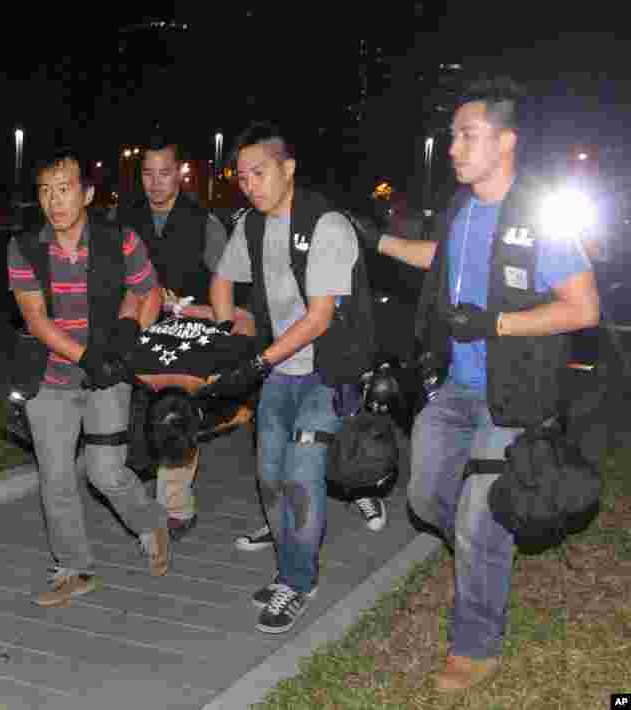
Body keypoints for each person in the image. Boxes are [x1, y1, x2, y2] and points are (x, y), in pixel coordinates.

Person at [361, 77, 600, 691]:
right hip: (456, 386)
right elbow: (439, 259)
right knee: (423, 496)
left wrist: (497, 322)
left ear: (506, 142)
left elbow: (583, 309)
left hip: (512, 393)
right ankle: (486, 554)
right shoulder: (463, 211)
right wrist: (377, 241)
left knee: (477, 514)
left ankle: (477, 644)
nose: (454, 147)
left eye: (467, 135)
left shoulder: (537, 214)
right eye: (451, 136)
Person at [209, 121, 376, 633]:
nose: (250, 184)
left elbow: (320, 317)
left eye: (259, 172)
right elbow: (222, 280)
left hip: (328, 369)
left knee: (302, 472)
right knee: (269, 474)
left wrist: (256, 362)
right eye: (242, 176)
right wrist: (227, 334)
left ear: (289, 168)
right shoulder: (251, 225)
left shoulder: (326, 224)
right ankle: (291, 570)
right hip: (280, 370)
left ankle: (297, 582)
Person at [7, 148, 170, 608]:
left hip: (108, 375)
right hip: (52, 378)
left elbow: (148, 291)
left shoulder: (118, 239)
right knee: (55, 478)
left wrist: (130, 334)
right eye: (45, 192)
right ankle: (75, 568)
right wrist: (86, 356)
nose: (54, 201)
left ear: (87, 194)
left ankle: (149, 521)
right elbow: (37, 321)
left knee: (105, 472)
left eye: (64, 190)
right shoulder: (25, 247)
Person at [116, 134, 244, 541]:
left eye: (165, 173)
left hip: (187, 334)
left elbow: (228, 282)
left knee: (173, 411)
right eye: (148, 174)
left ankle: (175, 508)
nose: (156, 182)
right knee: (138, 413)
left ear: (180, 174)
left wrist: (202, 314)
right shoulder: (124, 217)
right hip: (138, 327)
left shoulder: (203, 223)